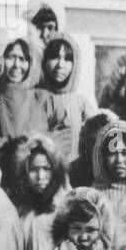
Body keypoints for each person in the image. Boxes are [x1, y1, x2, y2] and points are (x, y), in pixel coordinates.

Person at [0, 32, 68, 154]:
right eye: (11, 57)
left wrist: (43, 145)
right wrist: (16, 150)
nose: (17, 65)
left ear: (31, 63)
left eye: (22, 59)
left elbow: (65, 130)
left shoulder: (44, 98)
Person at [38, 33, 94, 165]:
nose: (60, 65)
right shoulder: (35, 98)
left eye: (67, 59)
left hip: (75, 170)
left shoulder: (81, 103)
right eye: (54, 57)